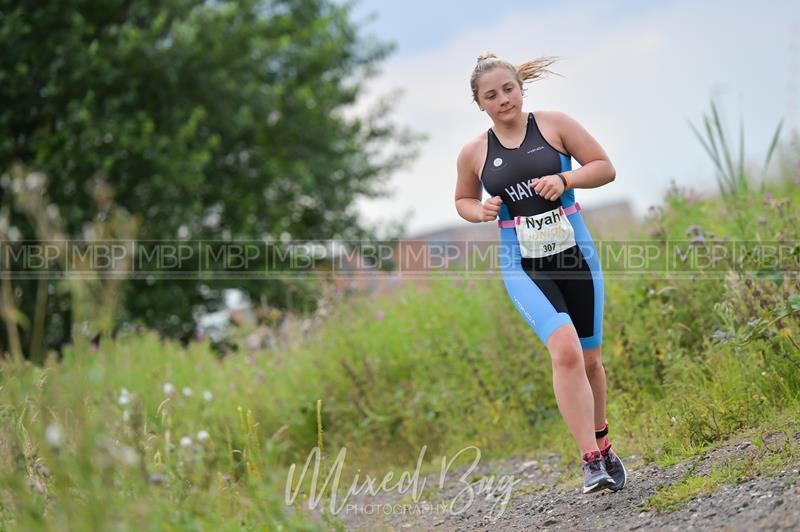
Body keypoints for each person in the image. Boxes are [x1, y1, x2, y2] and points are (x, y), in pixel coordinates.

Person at [454, 52, 627, 494]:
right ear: (480, 104)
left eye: (508, 89)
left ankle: (603, 443)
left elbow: (604, 168)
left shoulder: (554, 125)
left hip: (575, 255)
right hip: (523, 264)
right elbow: (463, 200)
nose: (503, 99)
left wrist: (566, 181)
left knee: (590, 359)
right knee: (565, 351)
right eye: (491, 96)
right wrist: (481, 210)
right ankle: (590, 461)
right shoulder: (474, 152)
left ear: (521, 88)